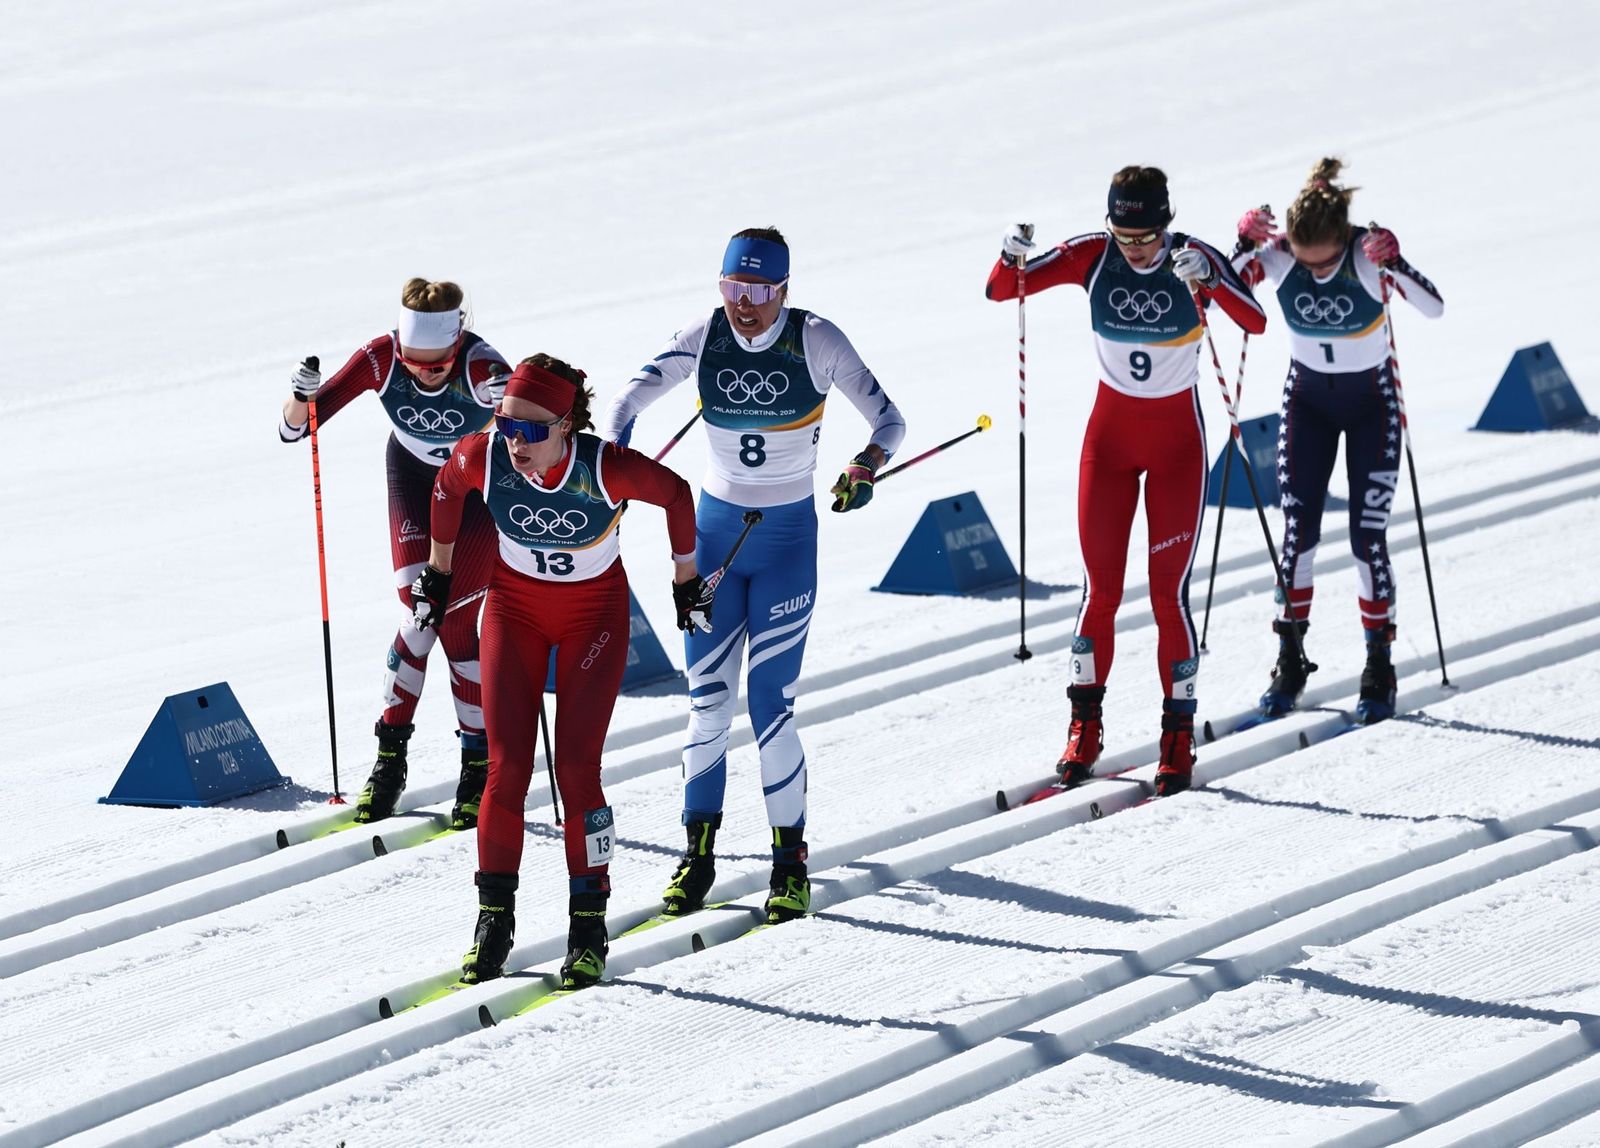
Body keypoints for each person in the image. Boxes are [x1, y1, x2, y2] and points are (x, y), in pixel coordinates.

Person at [599, 227, 906, 926]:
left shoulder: (818, 339)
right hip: (711, 540)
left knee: (770, 706)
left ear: (785, 292)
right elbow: (625, 400)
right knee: (707, 703)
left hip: (787, 543)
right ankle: (697, 856)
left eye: (760, 293)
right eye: (734, 289)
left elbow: (889, 420)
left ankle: (789, 861)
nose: (745, 306)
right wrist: (614, 457)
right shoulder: (704, 333)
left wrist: (865, 466)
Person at [416, 354, 702, 989]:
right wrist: (438, 572)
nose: (514, 442)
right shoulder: (484, 455)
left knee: (575, 770)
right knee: (505, 767)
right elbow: (444, 489)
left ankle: (588, 925)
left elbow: (679, 495)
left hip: (592, 620)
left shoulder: (605, 467)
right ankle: (493, 921)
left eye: (531, 430)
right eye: (505, 425)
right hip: (514, 611)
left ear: (568, 423)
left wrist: (686, 580)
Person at [987, 166, 1267, 796]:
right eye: (1124, 235)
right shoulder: (1093, 254)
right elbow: (1004, 290)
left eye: (1146, 238)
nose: (1135, 249)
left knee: (1169, 597)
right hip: (1108, 446)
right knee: (1100, 592)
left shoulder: (1193, 257)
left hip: (1176, 450)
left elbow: (1255, 323)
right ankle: (1084, 727)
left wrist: (1215, 280)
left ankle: (1177, 736)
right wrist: (1011, 251)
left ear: (1166, 226)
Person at [280, 279, 508, 829]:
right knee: (420, 608)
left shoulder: (482, 368)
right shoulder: (381, 360)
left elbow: (545, 436)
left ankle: (477, 767)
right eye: (415, 364)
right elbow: (295, 429)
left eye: (437, 366)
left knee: (454, 625)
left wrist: (513, 408)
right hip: (411, 480)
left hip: (474, 493)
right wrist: (300, 393)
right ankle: (389, 759)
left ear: (457, 345)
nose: (425, 374)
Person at [1232, 158, 1443, 723]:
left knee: (1365, 538)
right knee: (1297, 535)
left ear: (1343, 239)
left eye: (1325, 261)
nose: (1316, 271)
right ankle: (1290, 657)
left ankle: (1379, 665)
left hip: (1372, 407)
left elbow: (1434, 306)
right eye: (1306, 261)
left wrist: (1396, 260)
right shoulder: (1280, 254)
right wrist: (1242, 242)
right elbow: (1216, 293)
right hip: (1309, 406)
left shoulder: (1366, 255)